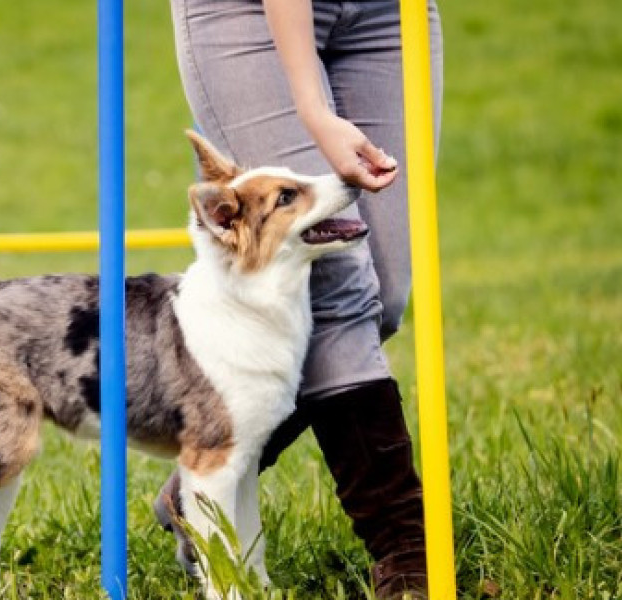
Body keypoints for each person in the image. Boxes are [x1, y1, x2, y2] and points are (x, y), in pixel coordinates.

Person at [154, 1, 443, 598]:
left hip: (390, 14)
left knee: (382, 292)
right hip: (248, 16)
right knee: (340, 287)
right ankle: (406, 555)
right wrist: (312, 109)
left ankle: (205, 474)